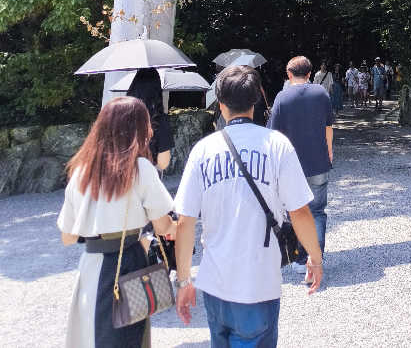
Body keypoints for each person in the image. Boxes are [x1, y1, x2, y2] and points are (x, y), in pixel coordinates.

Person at [173, 64, 323, 347]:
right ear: (257, 100)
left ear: (220, 104)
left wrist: (183, 282)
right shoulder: (277, 145)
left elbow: (185, 221)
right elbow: (300, 211)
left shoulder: (202, 151)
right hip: (258, 283)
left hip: (215, 283)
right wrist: (314, 257)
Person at [57, 96, 176, 348]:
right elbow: (163, 226)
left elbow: (67, 237)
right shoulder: (140, 168)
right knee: (129, 338)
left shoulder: (80, 171)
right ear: (138, 129)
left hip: (90, 265)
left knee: (92, 335)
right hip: (128, 262)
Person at [268, 55, 333, 275]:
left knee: (294, 211)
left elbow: (273, 134)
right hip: (318, 161)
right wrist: (329, 153)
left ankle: (299, 258)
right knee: (317, 211)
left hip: (290, 166)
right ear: (309, 74)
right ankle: (316, 259)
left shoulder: (282, 98)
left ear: (288, 74)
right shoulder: (321, 93)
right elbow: (328, 127)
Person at [127, 66, 172, 170]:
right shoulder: (160, 120)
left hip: (121, 178)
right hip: (147, 178)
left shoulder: (121, 116)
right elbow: (163, 163)